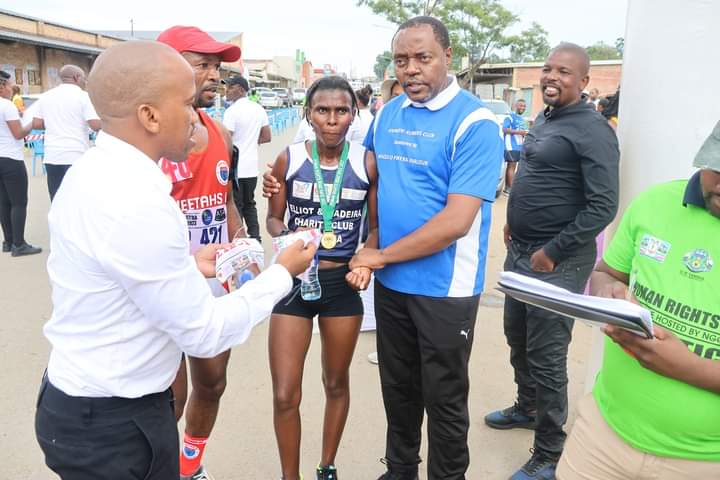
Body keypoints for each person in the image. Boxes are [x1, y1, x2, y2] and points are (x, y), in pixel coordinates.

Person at [34, 40, 316, 480]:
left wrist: (187, 265)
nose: (195, 116)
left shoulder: (93, 172)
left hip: (81, 402)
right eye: (185, 104)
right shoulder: (137, 200)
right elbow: (203, 332)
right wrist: (282, 273)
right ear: (149, 115)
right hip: (113, 425)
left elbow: (119, 275)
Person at [351, 16, 503, 480]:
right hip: (393, 283)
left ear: (448, 58)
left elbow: (456, 222)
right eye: (401, 60)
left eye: (422, 58)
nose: (411, 69)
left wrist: (379, 256)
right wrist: (374, 240)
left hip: (445, 289)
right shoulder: (389, 113)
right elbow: (377, 184)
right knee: (398, 389)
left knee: (444, 398)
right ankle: (400, 470)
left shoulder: (476, 122)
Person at [484, 43, 619, 480]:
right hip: (521, 249)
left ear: (583, 81)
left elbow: (603, 206)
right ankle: (527, 407)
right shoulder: (543, 118)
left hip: (556, 260)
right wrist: (514, 223)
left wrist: (552, 251)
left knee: (546, 354)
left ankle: (548, 452)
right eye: (547, 69)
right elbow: (532, 172)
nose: (551, 77)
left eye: (564, 71)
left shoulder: (594, 129)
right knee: (516, 335)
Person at [557, 120, 720, 480]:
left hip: (704, 462)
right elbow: (607, 273)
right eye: (717, 167)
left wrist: (686, 366)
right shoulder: (654, 203)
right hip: (602, 433)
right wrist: (606, 293)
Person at [266, 75, 378, 480]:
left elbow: (377, 227)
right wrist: (288, 238)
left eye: (341, 111)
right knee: (284, 394)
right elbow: (274, 218)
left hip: (341, 286)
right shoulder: (289, 158)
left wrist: (365, 258)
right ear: (308, 115)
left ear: (354, 114)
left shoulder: (366, 162)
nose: (332, 120)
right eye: (322, 111)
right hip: (293, 282)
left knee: (335, 382)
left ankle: (326, 466)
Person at [156, 25, 245, 480]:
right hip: (162, 285)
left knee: (212, 383)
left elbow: (225, 199)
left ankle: (189, 466)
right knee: (165, 395)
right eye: (202, 64)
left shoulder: (221, 130)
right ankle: (158, 467)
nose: (214, 75)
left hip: (214, 283)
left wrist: (242, 236)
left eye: (216, 66)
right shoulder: (144, 141)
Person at [31, 64, 101, 201]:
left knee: (57, 198)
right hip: (76, 155)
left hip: (52, 156)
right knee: (77, 199)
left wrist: (54, 123)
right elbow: (95, 124)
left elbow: (36, 124)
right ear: (76, 77)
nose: (84, 82)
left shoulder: (46, 96)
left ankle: (58, 223)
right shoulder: (83, 96)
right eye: (83, 79)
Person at [223, 75, 271, 242]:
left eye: (230, 87)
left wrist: (238, 144)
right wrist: (250, 142)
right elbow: (267, 137)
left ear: (241, 90)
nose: (226, 90)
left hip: (235, 169)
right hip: (251, 168)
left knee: (236, 206)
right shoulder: (258, 109)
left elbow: (226, 141)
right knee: (249, 203)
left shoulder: (231, 112)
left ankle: (240, 240)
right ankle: (255, 238)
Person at [0, 70, 39, 256]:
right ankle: (19, 244)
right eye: (9, 85)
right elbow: (18, 133)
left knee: (3, 202)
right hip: (11, 159)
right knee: (18, 202)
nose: (12, 89)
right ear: (2, 87)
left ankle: (7, 242)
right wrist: (31, 124)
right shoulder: (6, 105)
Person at [502, 98, 528, 194]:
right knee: (511, 166)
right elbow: (504, 129)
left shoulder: (522, 119)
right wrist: (518, 132)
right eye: (521, 105)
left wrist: (524, 134)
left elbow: (522, 132)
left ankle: (508, 188)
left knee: (513, 166)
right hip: (510, 146)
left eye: (524, 106)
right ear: (516, 106)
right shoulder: (510, 117)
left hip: (518, 146)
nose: (523, 108)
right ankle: (509, 189)